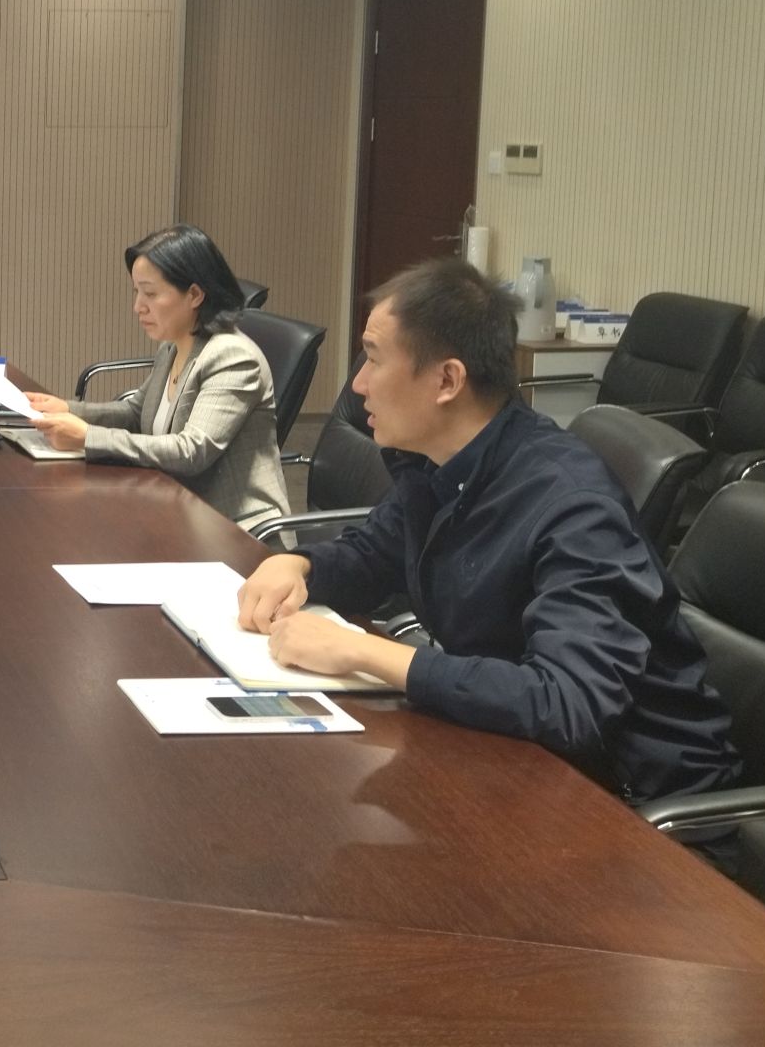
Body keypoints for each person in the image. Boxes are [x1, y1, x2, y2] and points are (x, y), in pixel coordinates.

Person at [236, 257, 739, 810]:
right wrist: (300, 565)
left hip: (633, 800)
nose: (357, 385)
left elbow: (568, 703)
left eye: (373, 359)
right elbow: (377, 554)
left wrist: (364, 652)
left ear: (447, 380)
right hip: (517, 755)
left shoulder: (573, 506)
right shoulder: (437, 458)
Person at [24, 224, 289, 530]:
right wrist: (69, 410)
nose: (138, 307)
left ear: (195, 294)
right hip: (175, 508)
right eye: (136, 292)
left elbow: (191, 452)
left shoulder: (233, 357)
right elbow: (136, 412)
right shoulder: (174, 344)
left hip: (235, 529)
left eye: (150, 293)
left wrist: (88, 437)